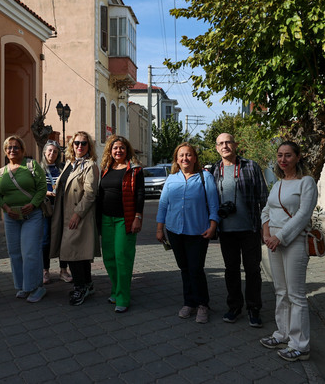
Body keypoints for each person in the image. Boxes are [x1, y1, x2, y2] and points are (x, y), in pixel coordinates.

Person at [260, 141, 318, 362]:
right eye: (280, 155)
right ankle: (282, 334)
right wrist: (266, 233)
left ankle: (300, 345)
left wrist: (280, 237)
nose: (283, 160)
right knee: (280, 291)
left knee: (296, 294)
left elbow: (303, 215)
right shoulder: (278, 183)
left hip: (294, 241)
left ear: (298, 157)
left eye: (288, 155)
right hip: (273, 241)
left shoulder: (306, 182)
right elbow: (266, 210)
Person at [156, 143, 219, 324]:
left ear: (195, 158)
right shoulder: (171, 179)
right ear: (176, 159)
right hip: (175, 231)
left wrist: (213, 225)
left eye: (189, 155)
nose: (185, 158)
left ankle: (203, 304)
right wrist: (160, 228)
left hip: (198, 231)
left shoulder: (205, 177)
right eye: (181, 155)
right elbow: (163, 205)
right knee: (184, 268)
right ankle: (189, 302)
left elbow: (214, 204)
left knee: (196, 269)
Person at [213, 133, 269, 327]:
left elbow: (263, 197)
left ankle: (254, 308)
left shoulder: (250, 166)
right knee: (231, 270)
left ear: (235, 145)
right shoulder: (214, 169)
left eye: (228, 142)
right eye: (221, 143)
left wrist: (265, 227)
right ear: (217, 148)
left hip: (250, 228)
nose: (225, 146)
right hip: (226, 231)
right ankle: (234, 306)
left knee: (253, 270)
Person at [0, 136, 48, 302]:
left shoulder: (32, 165)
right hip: (11, 217)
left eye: (16, 147)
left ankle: (37, 287)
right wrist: (6, 208)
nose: (12, 150)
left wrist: (33, 204)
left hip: (32, 215)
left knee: (30, 252)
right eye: (9, 147)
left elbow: (42, 188)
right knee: (15, 253)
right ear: (5, 151)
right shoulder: (1, 172)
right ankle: (24, 286)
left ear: (22, 150)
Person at [51, 131, 100, 306]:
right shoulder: (70, 164)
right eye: (76, 143)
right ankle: (87, 284)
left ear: (89, 146)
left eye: (83, 143)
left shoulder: (90, 165)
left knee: (73, 252)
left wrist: (77, 214)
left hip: (78, 215)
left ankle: (80, 287)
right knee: (80, 253)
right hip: (64, 213)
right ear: (72, 145)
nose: (80, 146)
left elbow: (90, 194)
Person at [96, 135, 145, 313]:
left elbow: (140, 194)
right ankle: (116, 290)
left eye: (122, 148)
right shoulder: (105, 169)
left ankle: (123, 297)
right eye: (115, 148)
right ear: (110, 150)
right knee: (109, 258)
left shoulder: (135, 170)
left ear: (127, 150)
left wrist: (138, 217)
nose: (118, 151)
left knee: (122, 258)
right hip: (106, 219)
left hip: (125, 220)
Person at [40, 140, 72, 284]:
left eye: (55, 151)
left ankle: (63, 270)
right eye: (50, 151)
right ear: (44, 152)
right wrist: (47, 192)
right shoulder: (38, 168)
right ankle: (45, 271)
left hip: (61, 208)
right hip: (45, 209)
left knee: (63, 239)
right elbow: (34, 188)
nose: (52, 154)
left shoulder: (62, 168)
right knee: (45, 240)